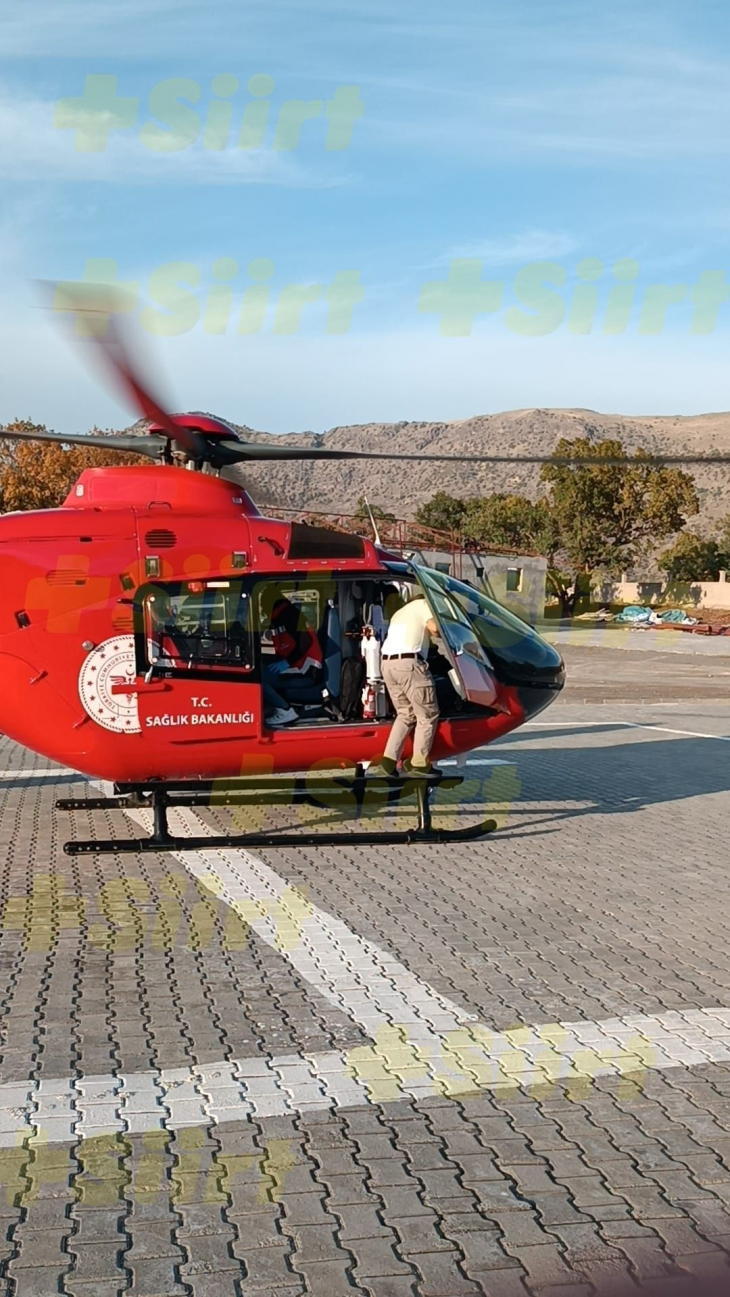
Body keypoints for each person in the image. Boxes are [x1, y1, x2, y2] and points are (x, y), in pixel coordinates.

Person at [371, 589, 441, 776]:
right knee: (427, 715)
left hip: (387, 665)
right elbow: (434, 628)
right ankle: (419, 763)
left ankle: (389, 761)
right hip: (409, 665)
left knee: (405, 714)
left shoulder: (400, 612)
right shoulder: (424, 605)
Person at [264, 596, 323, 727]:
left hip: (306, 670)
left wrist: (286, 662)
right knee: (259, 669)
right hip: (295, 666)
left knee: (257, 678)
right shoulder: (278, 618)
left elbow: (305, 642)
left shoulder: (289, 615)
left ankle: (284, 710)